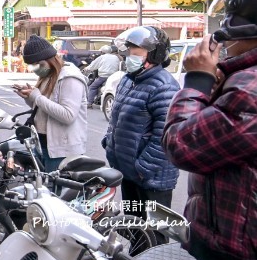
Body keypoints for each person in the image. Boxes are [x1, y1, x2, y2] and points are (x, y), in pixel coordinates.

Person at [162, 0, 257, 260]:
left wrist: (198, 81)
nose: (222, 45)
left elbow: (182, 144)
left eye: (228, 36)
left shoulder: (249, 89)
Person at [102, 26, 179, 219]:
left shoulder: (165, 87)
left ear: (155, 54)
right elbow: (117, 119)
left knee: (154, 233)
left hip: (152, 178)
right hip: (129, 172)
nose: (130, 55)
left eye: (136, 50)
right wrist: (109, 143)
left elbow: (165, 137)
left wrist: (142, 169)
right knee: (133, 225)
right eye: (129, 50)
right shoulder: (128, 80)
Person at [14, 35, 88, 172]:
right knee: (44, 189)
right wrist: (28, 97)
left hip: (62, 150)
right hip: (43, 143)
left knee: (55, 191)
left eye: (39, 64)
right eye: (33, 65)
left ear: (50, 59)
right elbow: (44, 109)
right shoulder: (48, 76)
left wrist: (37, 97)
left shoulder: (69, 77)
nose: (36, 69)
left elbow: (68, 115)